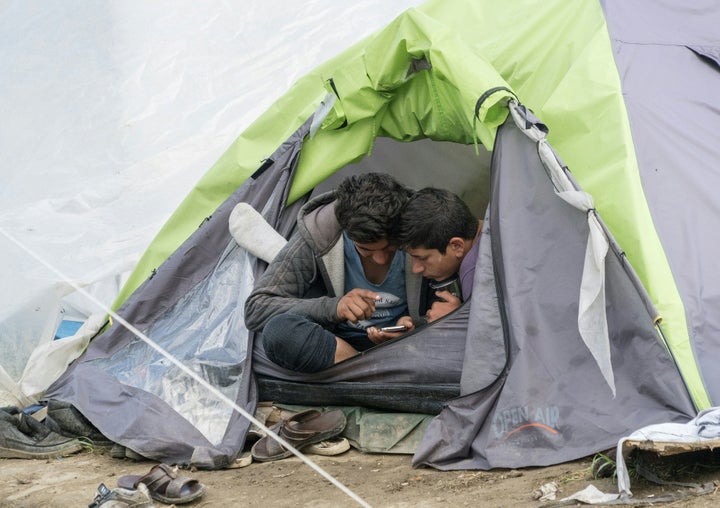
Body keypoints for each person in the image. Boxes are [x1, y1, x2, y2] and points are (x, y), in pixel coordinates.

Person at [244, 173, 423, 373]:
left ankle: (360, 378)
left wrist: (413, 323)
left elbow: (451, 302)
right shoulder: (320, 234)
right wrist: (334, 308)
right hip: (337, 348)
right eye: (366, 250)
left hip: (411, 347)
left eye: (391, 247)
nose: (380, 259)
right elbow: (256, 308)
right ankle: (367, 373)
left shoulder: (421, 228)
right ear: (346, 231)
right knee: (280, 333)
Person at [382, 187, 482, 326]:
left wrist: (459, 320)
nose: (416, 269)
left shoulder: (478, 272)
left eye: (422, 258)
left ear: (457, 246)